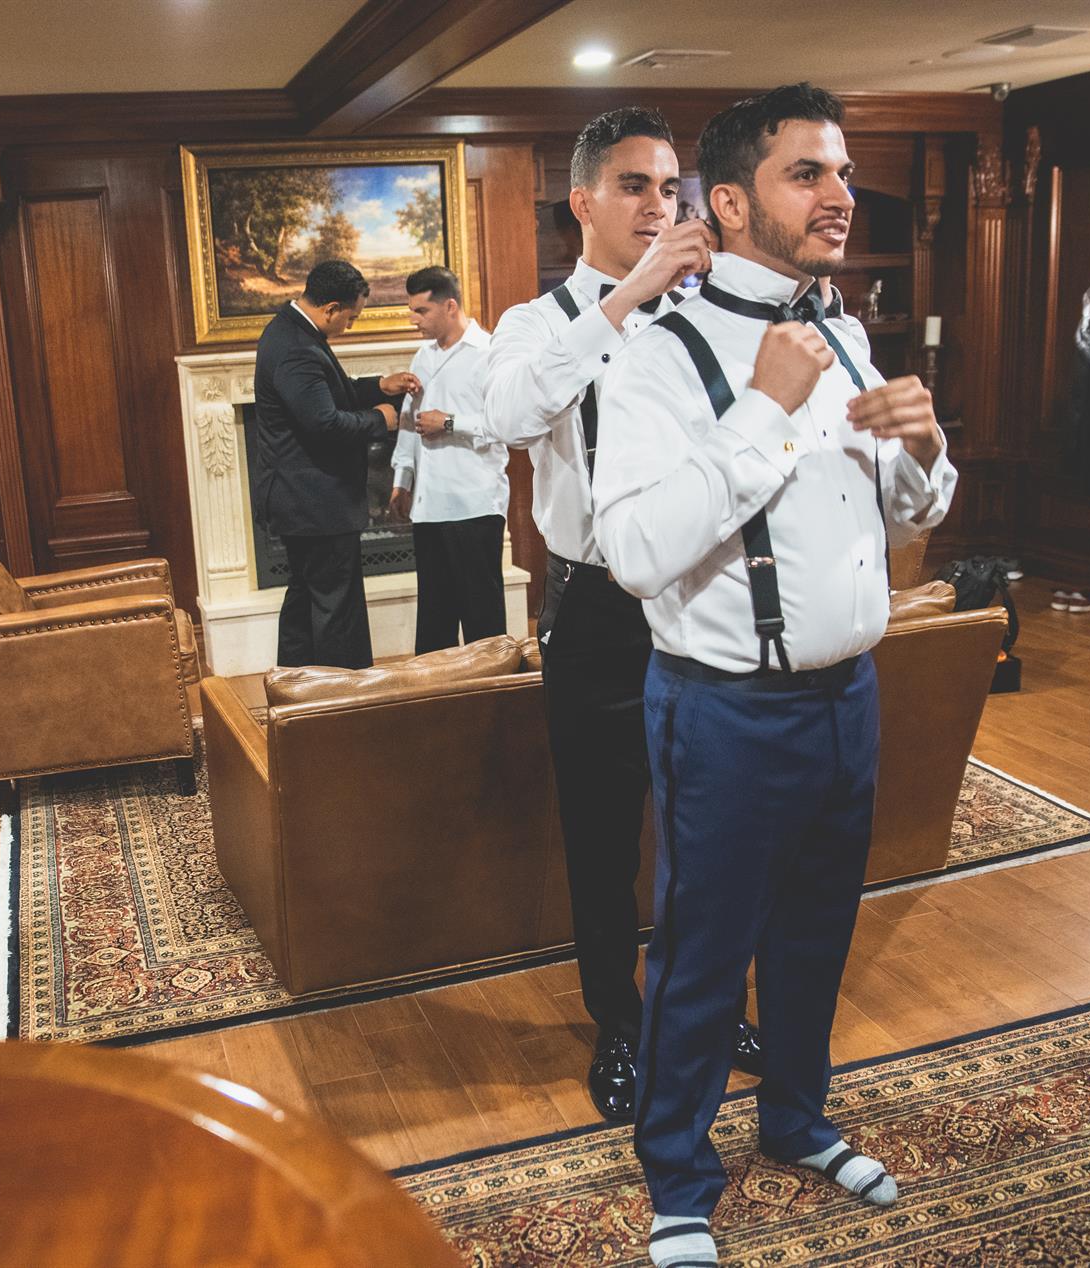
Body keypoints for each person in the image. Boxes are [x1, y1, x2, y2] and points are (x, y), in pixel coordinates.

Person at [592, 85, 956, 1266]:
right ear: (733, 203)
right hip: (724, 710)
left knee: (815, 933)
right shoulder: (656, 357)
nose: (840, 194)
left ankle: (796, 1119)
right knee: (701, 953)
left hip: (851, 695)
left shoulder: (843, 334)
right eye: (809, 173)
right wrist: (763, 407)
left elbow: (899, 521)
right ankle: (677, 1176)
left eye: (842, 171)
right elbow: (635, 553)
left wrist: (926, 451)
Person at [487, 107, 765, 1126]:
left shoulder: (709, 316)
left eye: (669, 187)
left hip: (703, 597)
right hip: (597, 610)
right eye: (634, 186)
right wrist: (627, 300)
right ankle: (619, 1019)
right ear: (584, 201)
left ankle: (708, 1006)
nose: (659, 205)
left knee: (712, 828)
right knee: (603, 836)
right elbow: (511, 415)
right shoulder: (535, 324)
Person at [251, 260, 421, 668]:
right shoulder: (298, 349)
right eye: (350, 317)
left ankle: (298, 686)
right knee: (335, 608)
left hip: (300, 501)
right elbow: (324, 423)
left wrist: (379, 386)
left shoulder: (290, 331)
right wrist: (380, 419)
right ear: (330, 309)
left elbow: (327, 395)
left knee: (304, 598)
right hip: (314, 503)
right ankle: (343, 694)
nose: (350, 325)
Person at [389, 266, 508, 654]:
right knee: (434, 619)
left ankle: (490, 690)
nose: (414, 320)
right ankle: (435, 692)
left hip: (474, 502)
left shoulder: (489, 354)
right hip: (429, 505)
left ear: (450, 306)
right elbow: (409, 420)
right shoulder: (421, 357)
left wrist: (450, 423)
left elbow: (506, 424)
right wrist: (402, 479)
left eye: (421, 311)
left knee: (482, 619)